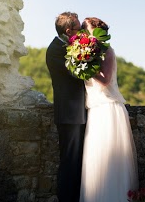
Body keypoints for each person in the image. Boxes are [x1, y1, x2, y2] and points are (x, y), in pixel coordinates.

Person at [79, 17, 139, 202]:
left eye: (85, 27)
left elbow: (105, 80)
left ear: (96, 31)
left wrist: (85, 65)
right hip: (95, 110)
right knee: (96, 161)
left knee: (111, 160)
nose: (82, 30)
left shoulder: (107, 51)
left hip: (108, 109)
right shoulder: (85, 51)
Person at [46, 12, 87, 202]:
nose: (82, 33)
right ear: (69, 30)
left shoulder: (68, 46)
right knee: (69, 163)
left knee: (79, 163)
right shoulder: (55, 50)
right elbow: (76, 73)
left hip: (80, 112)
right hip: (69, 114)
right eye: (80, 29)